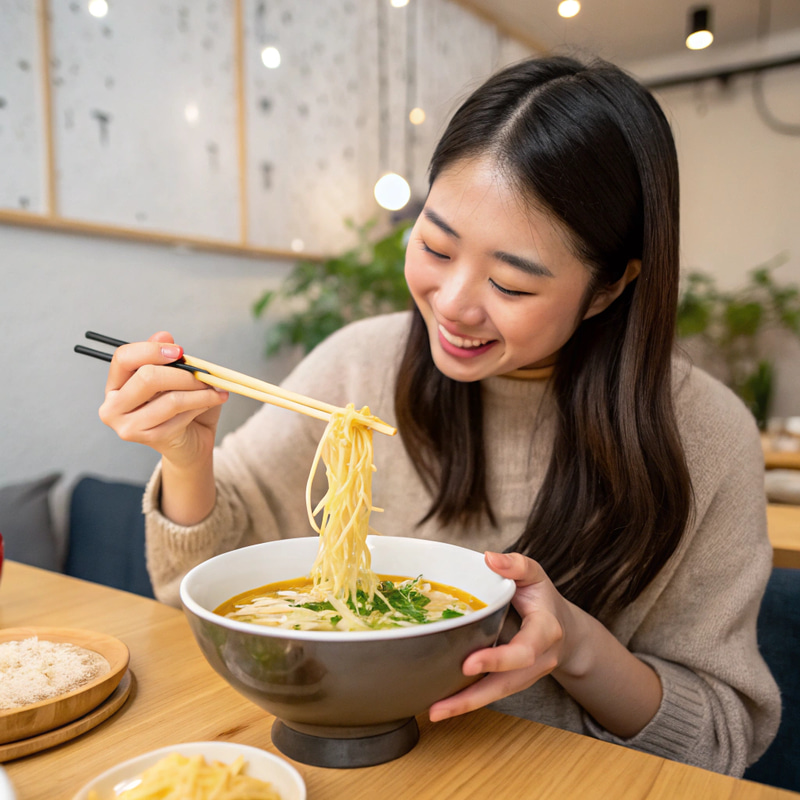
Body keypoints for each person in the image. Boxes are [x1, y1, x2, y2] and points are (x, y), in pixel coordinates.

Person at [99, 55, 780, 776]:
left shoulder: (705, 436)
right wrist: (186, 456)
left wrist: (574, 645)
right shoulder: (359, 366)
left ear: (610, 288)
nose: (453, 302)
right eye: (434, 245)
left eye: (512, 283)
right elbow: (199, 592)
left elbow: (719, 740)